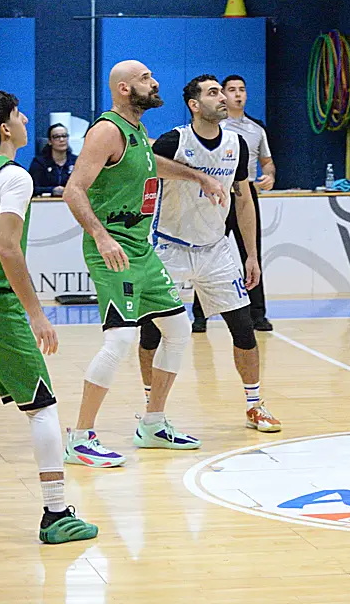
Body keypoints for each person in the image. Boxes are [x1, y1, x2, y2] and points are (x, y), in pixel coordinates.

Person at [0, 91, 98, 544]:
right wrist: (37, 314)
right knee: (43, 408)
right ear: (4, 129)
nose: (26, 119)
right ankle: (56, 513)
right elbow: (7, 248)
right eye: (18, 115)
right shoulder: (13, 176)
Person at [62, 60, 225, 467]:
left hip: (141, 249)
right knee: (119, 340)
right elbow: (73, 190)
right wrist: (101, 237)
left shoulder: (136, 131)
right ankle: (79, 437)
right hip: (114, 248)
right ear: (123, 89)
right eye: (145, 78)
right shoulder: (107, 131)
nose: (154, 83)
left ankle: (153, 424)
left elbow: (153, 166)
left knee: (178, 328)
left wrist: (199, 177)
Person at [145, 75, 281, 433]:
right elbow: (149, 166)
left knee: (244, 328)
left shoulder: (237, 143)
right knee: (152, 333)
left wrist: (251, 254)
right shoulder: (175, 140)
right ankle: (151, 410)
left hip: (216, 249)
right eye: (213, 93)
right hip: (170, 247)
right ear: (194, 104)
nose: (222, 98)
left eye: (222, 92)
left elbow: (243, 198)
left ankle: (255, 405)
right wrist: (198, 177)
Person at [207, 74, 276, 332]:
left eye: (242, 90)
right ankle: (201, 314)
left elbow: (267, 162)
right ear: (223, 94)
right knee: (209, 251)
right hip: (218, 195)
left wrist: (269, 175)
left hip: (246, 194)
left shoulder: (257, 129)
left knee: (251, 252)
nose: (238, 94)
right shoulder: (214, 127)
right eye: (232, 90)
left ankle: (258, 314)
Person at [29, 124, 76, 196]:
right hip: (45, 204)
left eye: (64, 136)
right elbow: (32, 188)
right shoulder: (39, 163)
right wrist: (52, 190)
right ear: (49, 141)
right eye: (56, 137)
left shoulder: (76, 161)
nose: (61, 140)